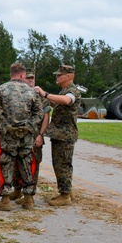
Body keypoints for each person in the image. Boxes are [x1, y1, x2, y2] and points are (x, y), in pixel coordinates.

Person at [0, 62, 39, 211]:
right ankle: (28, 199)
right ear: (23, 75)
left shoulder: (1, 90)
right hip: (27, 136)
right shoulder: (32, 92)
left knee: (6, 163)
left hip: (8, 135)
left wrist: (7, 129)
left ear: (11, 74)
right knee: (26, 163)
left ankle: (5, 199)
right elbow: (38, 113)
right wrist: (28, 128)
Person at [34, 64, 81, 207]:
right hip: (59, 134)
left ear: (68, 76)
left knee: (63, 164)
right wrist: (50, 101)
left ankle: (65, 195)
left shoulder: (72, 91)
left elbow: (67, 101)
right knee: (59, 163)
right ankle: (67, 191)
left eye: (59, 75)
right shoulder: (64, 91)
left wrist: (46, 94)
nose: (57, 77)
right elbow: (61, 104)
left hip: (65, 135)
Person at [11, 70, 50, 199]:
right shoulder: (16, 94)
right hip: (18, 136)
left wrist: (41, 135)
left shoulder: (39, 96)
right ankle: (17, 190)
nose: (31, 80)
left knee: (32, 164)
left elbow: (46, 117)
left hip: (34, 136)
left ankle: (29, 195)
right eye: (28, 78)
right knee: (16, 164)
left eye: (33, 78)